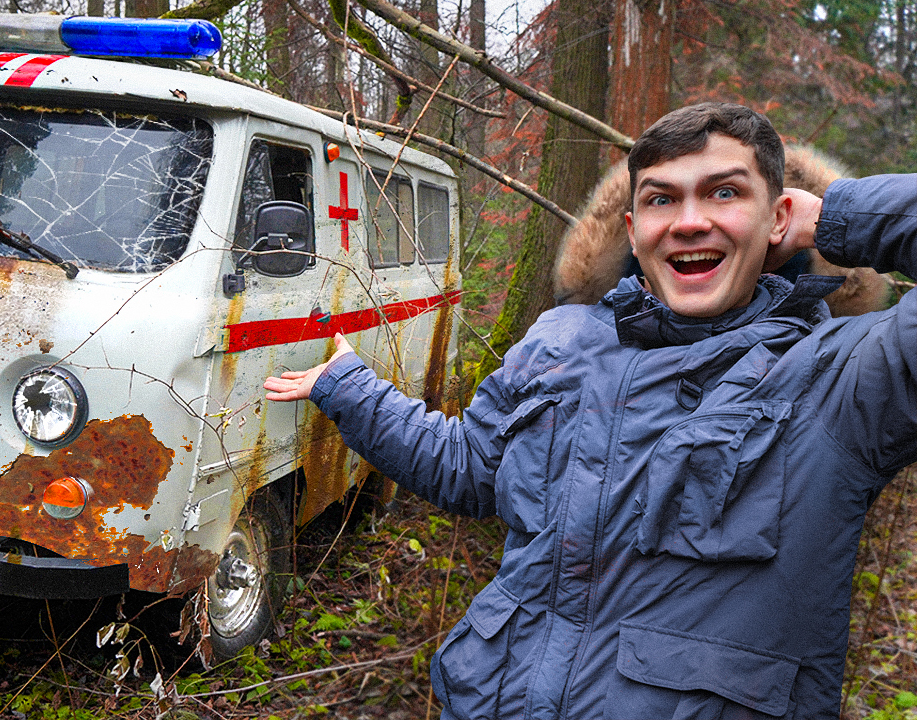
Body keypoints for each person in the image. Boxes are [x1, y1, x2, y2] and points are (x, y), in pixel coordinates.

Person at [264, 102, 917, 720]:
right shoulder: (562, 339)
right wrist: (349, 388)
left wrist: (837, 219)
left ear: (778, 219)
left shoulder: (844, 380)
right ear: (634, 230)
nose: (689, 221)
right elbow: (468, 468)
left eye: (725, 192)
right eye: (662, 198)